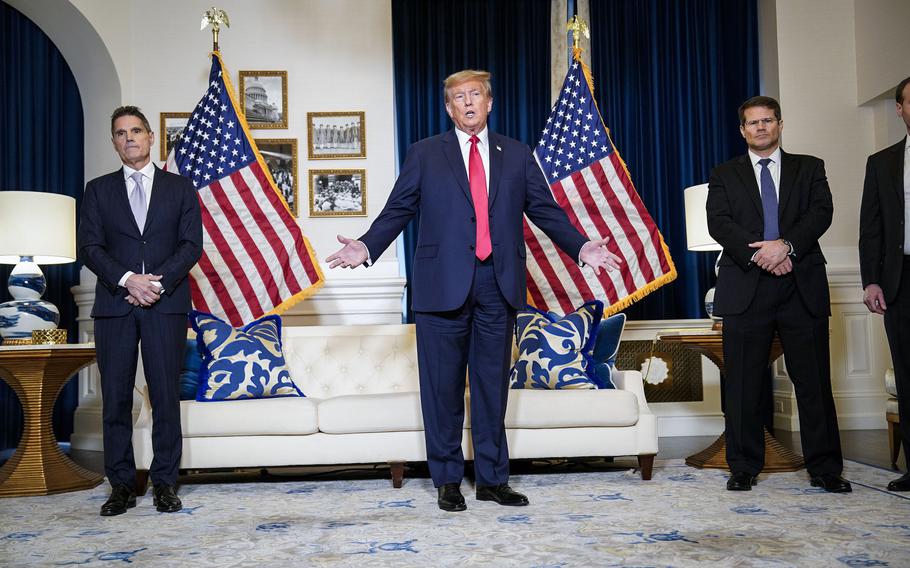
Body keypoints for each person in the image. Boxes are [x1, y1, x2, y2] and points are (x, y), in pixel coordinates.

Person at [326, 69, 621, 512]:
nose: (468, 102)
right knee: (441, 390)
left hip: (497, 284)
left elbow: (545, 210)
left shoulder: (518, 155)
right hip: (441, 286)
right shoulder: (425, 154)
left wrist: (581, 247)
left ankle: (492, 480)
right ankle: (447, 481)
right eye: (459, 97)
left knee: (490, 389)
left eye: (475, 95)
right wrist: (366, 246)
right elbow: (398, 209)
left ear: (489, 102)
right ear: (449, 108)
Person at [706, 96, 850, 493]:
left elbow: (821, 213)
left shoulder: (810, 167)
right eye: (752, 123)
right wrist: (764, 255)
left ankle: (825, 469)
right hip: (745, 287)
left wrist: (784, 246)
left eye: (767, 120)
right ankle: (744, 466)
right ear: (742, 130)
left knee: (814, 382)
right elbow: (718, 223)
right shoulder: (723, 174)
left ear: (780, 124)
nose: (761, 128)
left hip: (800, 285)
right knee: (743, 385)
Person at [78, 106, 203, 516]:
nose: (129, 138)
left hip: (165, 305)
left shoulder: (180, 187)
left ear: (151, 137)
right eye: (120, 133)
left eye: (136, 131)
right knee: (115, 400)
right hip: (115, 306)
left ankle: (166, 484)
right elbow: (90, 248)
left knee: (165, 397)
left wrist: (156, 284)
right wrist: (129, 279)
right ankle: (121, 487)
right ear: (113, 142)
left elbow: (191, 245)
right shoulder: (97, 190)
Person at [859, 76, 910, 492]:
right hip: (901, 281)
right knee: (908, 376)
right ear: (900, 109)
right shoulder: (882, 162)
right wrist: (871, 280)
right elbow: (870, 228)